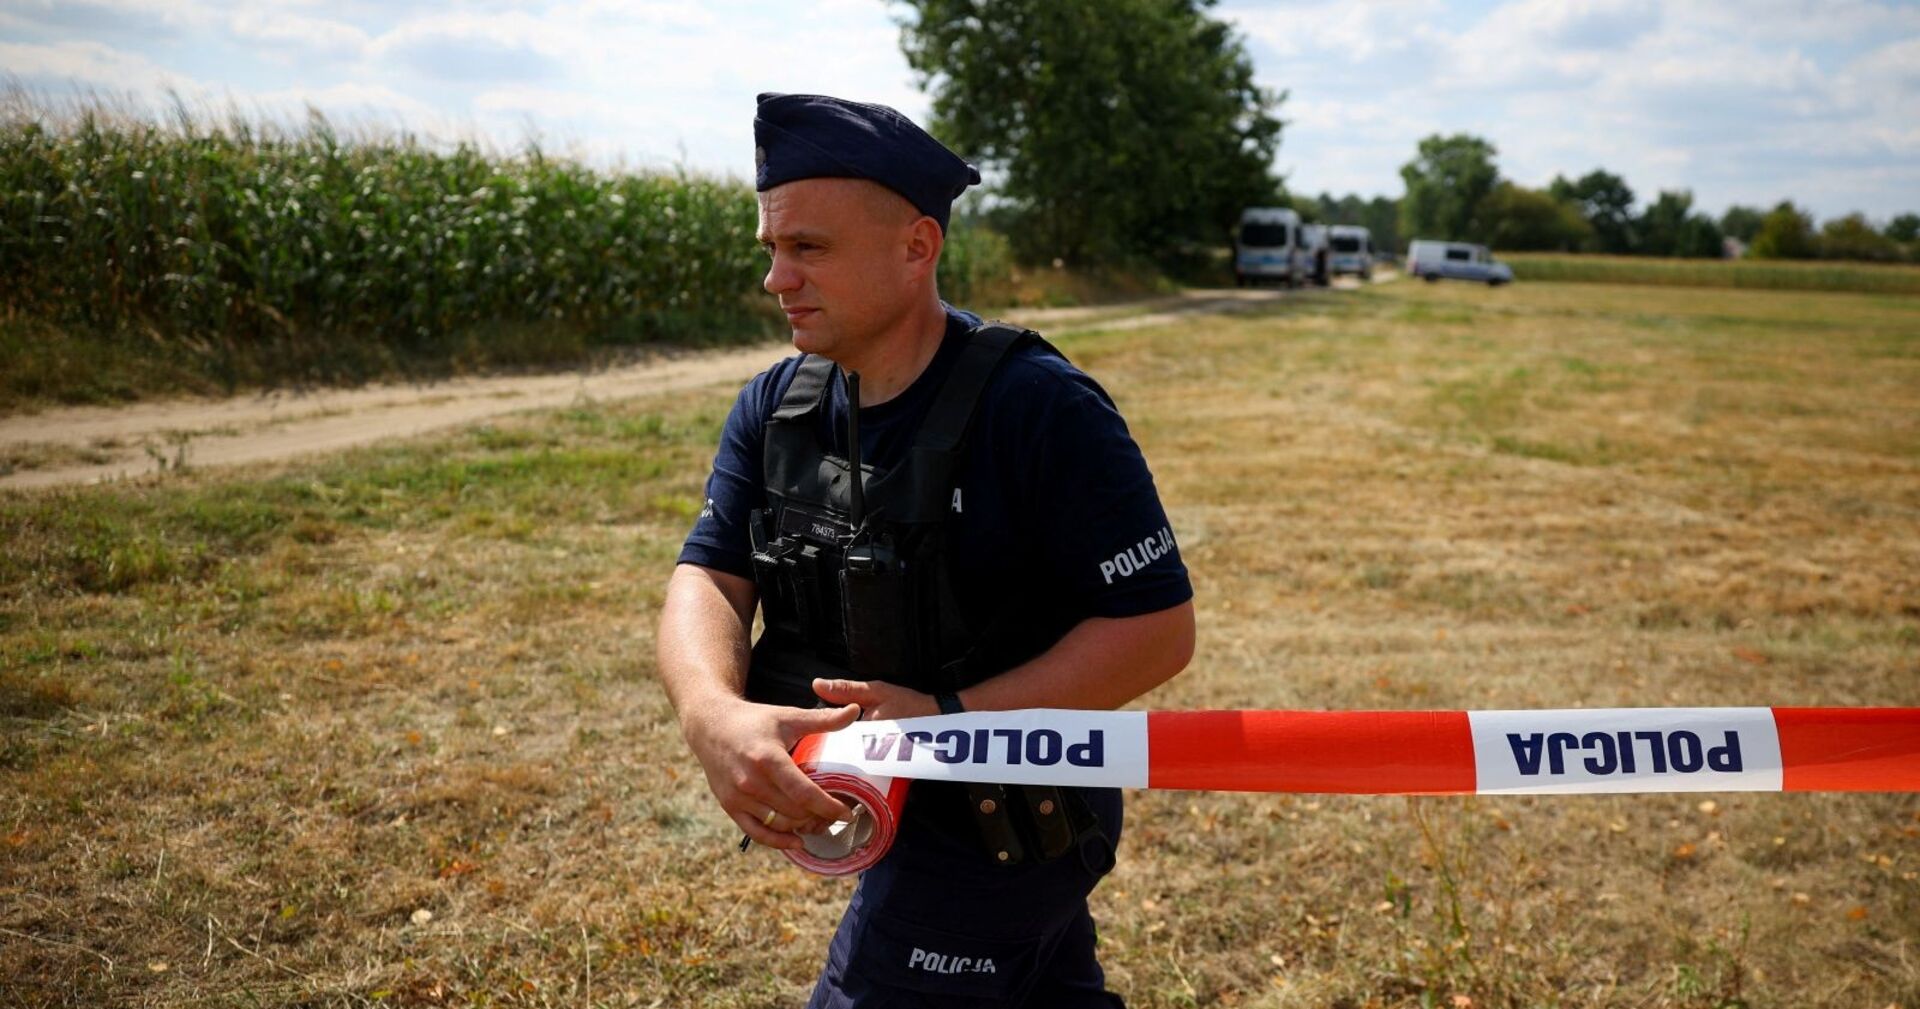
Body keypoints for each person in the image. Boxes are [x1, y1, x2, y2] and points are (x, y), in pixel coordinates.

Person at [656, 92, 1195, 1008]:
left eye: (809, 249)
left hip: (1013, 816)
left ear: (917, 248)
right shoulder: (775, 405)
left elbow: (1157, 630)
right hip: (881, 803)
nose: (776, 279)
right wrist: (710, 711)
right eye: (773, 250)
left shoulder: (1041, 409)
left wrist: (943, 715)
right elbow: (709, 571)